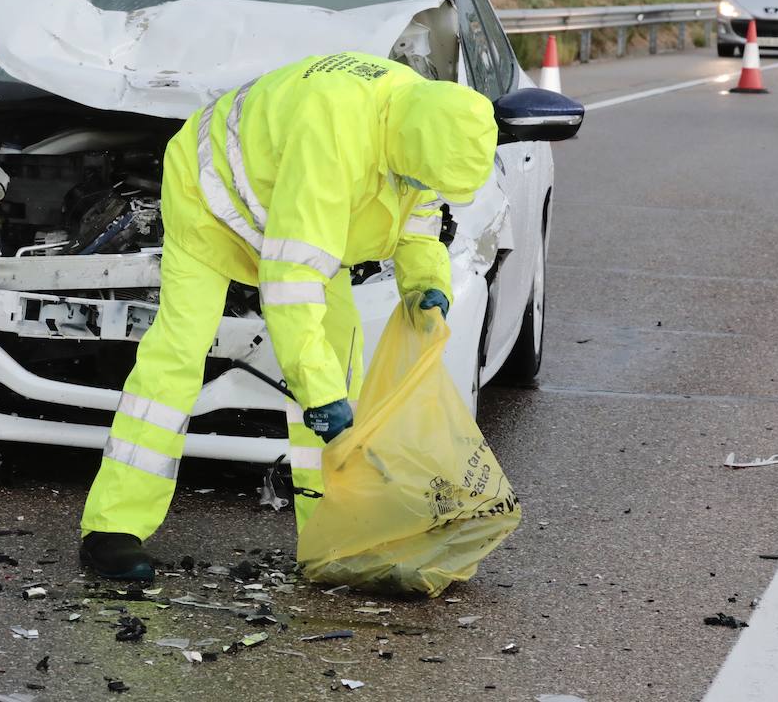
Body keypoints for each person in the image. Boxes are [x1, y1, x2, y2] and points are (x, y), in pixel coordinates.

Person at [79, 51, 499, 582]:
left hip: (293, 207)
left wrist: (426, 283)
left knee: (337, 367)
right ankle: (113, 526)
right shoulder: (332, 139)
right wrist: (318, 397)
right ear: (407, 144)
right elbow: (291, 286)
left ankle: (328, 532)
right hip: (213, 203)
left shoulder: (427, 119)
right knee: (179, 353)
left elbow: (416, 211)